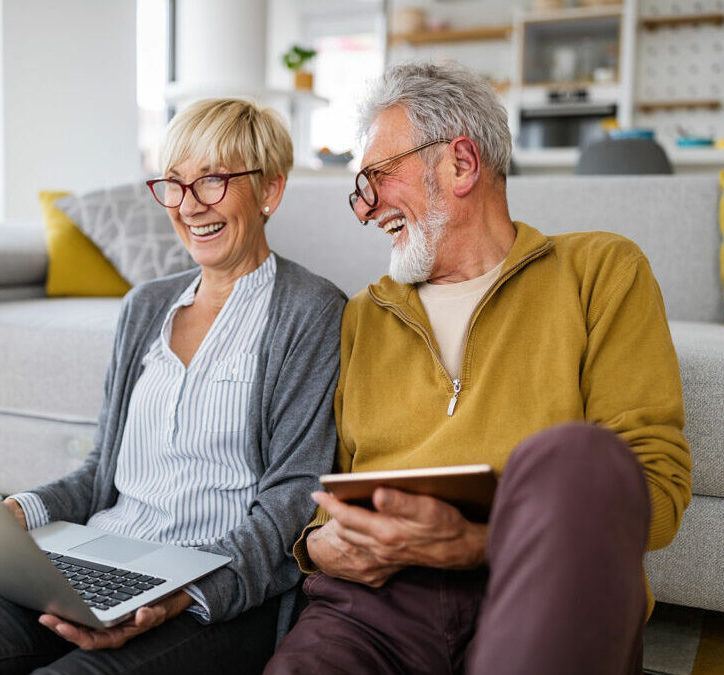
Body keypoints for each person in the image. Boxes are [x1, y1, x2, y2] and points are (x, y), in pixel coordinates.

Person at [0, 98, 346, 674]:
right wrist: (14, 516)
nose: (188, 205)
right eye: (174, 184)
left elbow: (292, 502)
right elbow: (102, 471)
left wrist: (180, 591)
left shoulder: (312, 311)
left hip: (214, 596)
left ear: (270, 190)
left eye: (213, 180)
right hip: (100, 559)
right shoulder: (146, 306)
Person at [265, 61, 692, 675]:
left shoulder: (600, 272)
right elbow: (322, 493)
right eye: (360, 191)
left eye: (377, 179)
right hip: (375, 604)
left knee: (580, 458)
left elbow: (654, 491)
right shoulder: (363, 314)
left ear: (460, 163)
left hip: (540, 583)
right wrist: (323, 546)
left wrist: (478, 544)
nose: (366, 210)